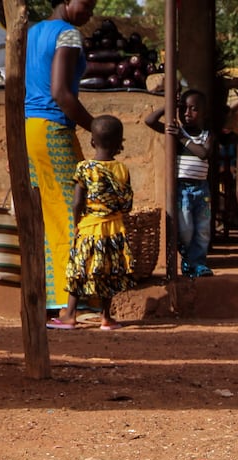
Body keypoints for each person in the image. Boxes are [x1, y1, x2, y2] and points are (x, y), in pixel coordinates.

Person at [25, 0, 98, 330]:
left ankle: (46, 297)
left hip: (30, 130)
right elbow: (60, 93)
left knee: (46, 215)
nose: (90, 11)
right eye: (87, 3)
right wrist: (96, 127)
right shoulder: (68, 35)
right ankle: (67, 301)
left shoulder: (31, 32)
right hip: (54, 129)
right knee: (74, 213)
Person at [63, 115, 136, 330]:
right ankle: (106, 317)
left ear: (92, 141)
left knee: (79, 269)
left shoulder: (84, 168)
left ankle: (70, 315)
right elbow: (127, 204)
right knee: (109, 271)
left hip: (88, 228)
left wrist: (76, 223)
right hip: (114, 228)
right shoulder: (122, 170)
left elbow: (77, 202)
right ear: (120, 144)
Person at [144, 90, 213, 277]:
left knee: (203, 230)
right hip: (182, 189)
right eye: (183, 109)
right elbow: (149, 121)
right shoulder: (173, 131)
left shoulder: (206, 135)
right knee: (185, 229)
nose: (187, 114)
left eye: (193, 109)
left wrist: (181, 137)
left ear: (204, 113)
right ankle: (188, 262)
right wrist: (168, 107)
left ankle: (197, 264)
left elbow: (203, 153)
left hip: (201, 189)